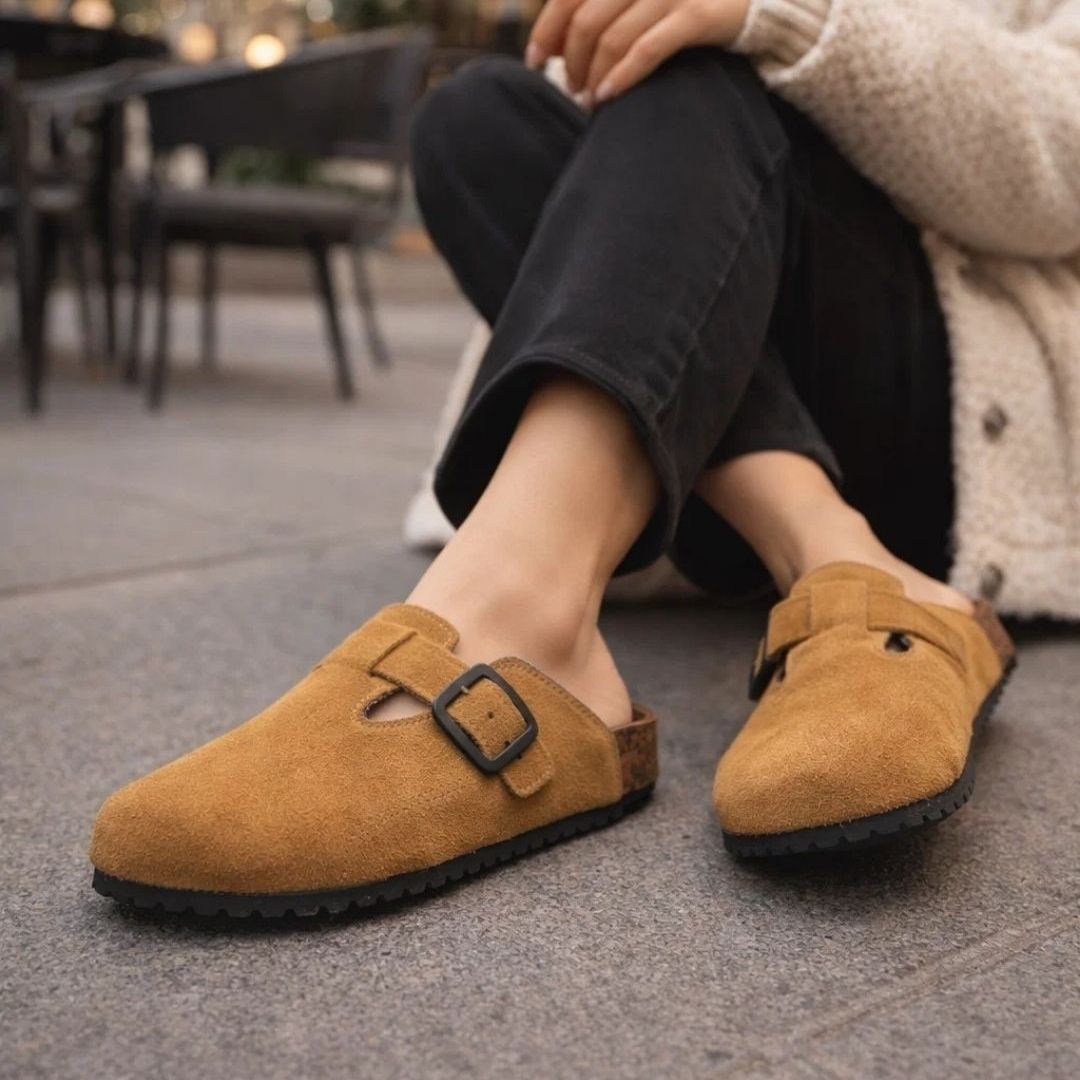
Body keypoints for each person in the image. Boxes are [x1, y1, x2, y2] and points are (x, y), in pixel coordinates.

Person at [88, 0, 1078, 914]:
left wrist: (776, 16)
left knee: (700, 65)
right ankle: (825, 546)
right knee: (476, 119)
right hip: (720, 393)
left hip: (943, 403)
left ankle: (524, 606)